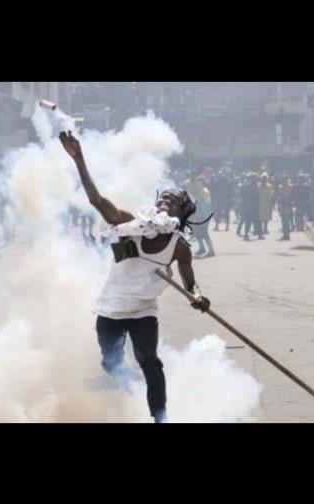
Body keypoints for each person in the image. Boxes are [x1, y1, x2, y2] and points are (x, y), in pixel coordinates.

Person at [59, 131, 211, 424]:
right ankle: (124, 380)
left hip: (143, 311)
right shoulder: (130, 224)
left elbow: (190, 282)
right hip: (111, 309)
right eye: (164, 196)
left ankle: (161, 417)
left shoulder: (179, 246)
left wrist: (198, 296)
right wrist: (79, 160)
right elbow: (98, 201)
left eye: (175, 200)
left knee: (150, 362)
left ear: (181, 213)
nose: (167, 199)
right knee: (111, 362)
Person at [187, 174, 215, 257]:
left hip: (204, 216)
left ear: (202, 182)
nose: (196, 183)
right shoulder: (198, 191)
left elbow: (206, 205)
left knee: (204, 232)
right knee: (197, 232)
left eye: (198, 181)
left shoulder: (205, 192)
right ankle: (202, 248)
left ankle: (211, 250)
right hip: (199, 215)